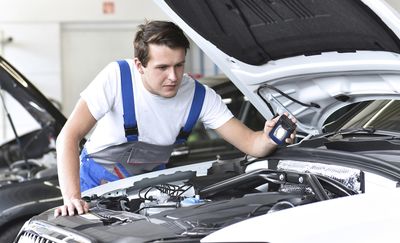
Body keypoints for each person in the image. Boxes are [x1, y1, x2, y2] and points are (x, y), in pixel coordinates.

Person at [54, 20, 296, 217]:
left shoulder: (200, 96)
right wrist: (72, 198)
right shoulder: (117, 77)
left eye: (179, 65)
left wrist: (269, 137)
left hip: (145, 189)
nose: (173, 77)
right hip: (93, 183)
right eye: (162, 67)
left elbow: (251, 143)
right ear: (140, 65)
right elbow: (69, 136)